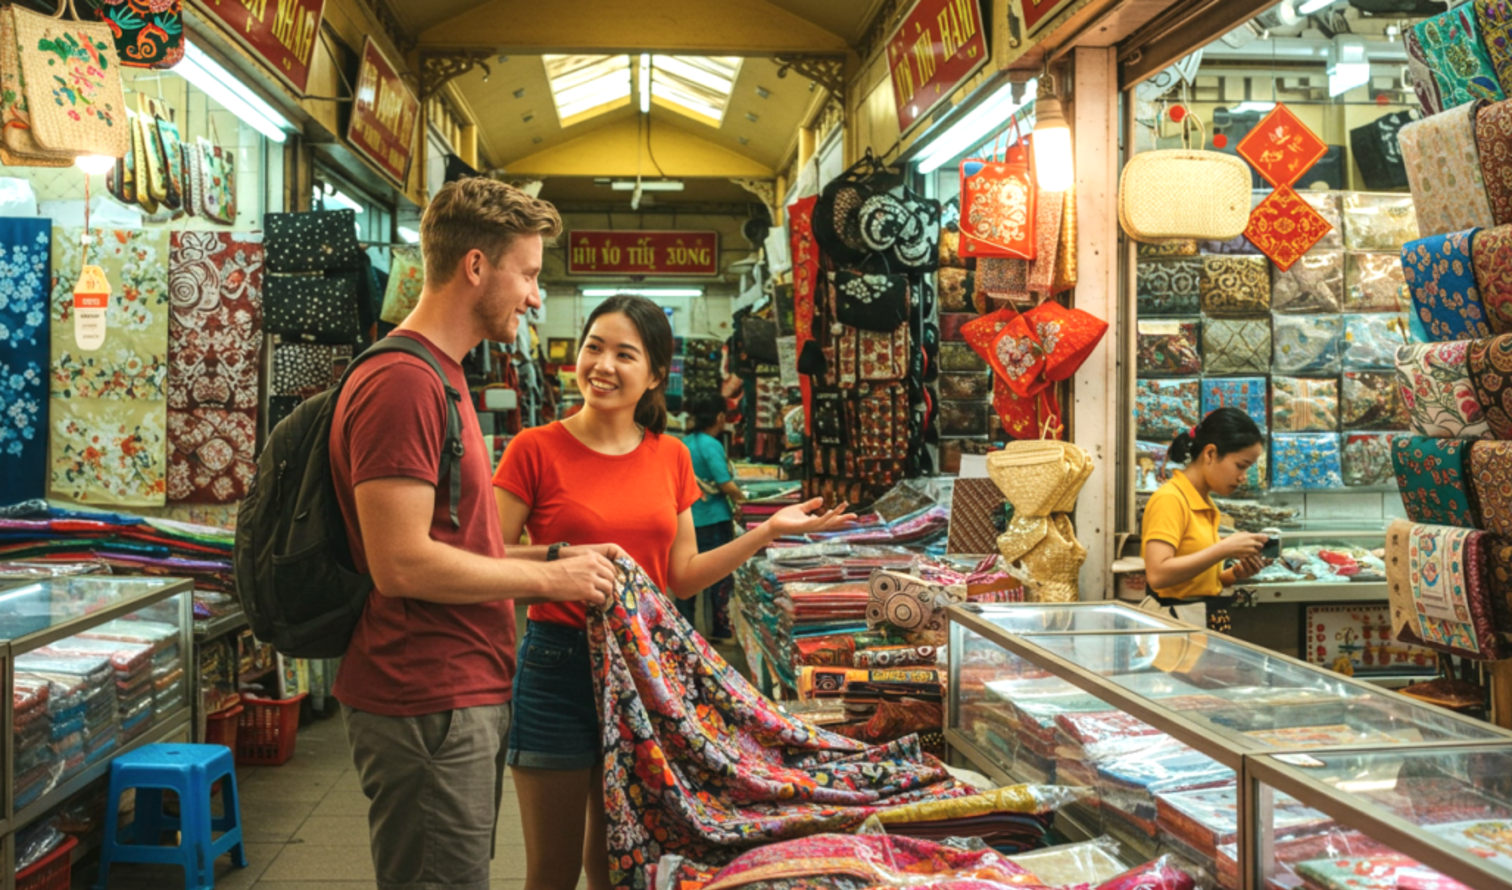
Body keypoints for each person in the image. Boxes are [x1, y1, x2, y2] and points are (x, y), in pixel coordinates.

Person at [493, 294, 854, 890]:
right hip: (558, 666)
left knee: (622, 858)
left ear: (656, 373)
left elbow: (681, 575)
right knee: (551, 870)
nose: (602, 365)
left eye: (624, 354)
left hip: (645, 672)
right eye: (594, 347)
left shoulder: (671, 456)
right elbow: (490, 557)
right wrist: (562, 561)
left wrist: (763, 531)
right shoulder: (536, 447)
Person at [328, 178, 623, 890]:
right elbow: (401, 563)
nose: (532, 296)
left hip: (458, 691)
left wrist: (556, 553)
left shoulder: (443, 374)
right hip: (426, 694)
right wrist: (550, 580)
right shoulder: (405, 382)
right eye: (527, 274)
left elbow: (450, 549)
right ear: (475, 267)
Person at [1139, 407, 1270, 632]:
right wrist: (1224, 549)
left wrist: (1235, 574)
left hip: (1198, 627)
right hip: (1174, 633)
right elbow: (1158, 575)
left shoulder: (1206, 503)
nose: (1242, 477)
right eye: (1240, 465)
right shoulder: (1170, 499)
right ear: (1210, 454)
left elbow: (1197, 581)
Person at [679, 392, 743, 638]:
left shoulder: (684, 443)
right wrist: (748, 501)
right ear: (719, 417)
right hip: (713, 519)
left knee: (686, 577)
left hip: (687, 520)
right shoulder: (711, 445)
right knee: (718, 575)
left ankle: (684, 632)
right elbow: (725, 483)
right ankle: (721, 628)